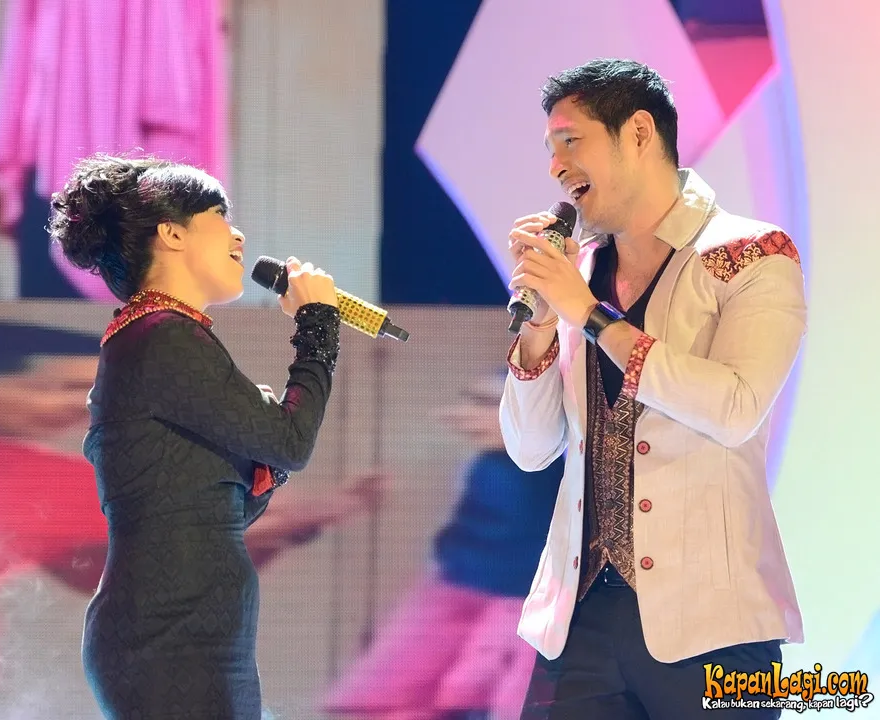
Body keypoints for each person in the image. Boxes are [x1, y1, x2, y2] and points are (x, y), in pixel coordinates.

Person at [499, 59, 806, 719]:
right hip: (579, 619)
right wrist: (542, 325)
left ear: (638, 132)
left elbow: (735, 407)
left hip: (719, 627)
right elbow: (530, 448)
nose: (555, 166)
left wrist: (590, 315)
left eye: (571, 141)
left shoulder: (752, 252)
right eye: (550, 148)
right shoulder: (576, 270)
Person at [48, 154, 341, 719]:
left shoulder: (158, 337)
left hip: (192, 633)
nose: (238, 234)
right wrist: (317, 326)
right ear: (173, 233)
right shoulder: (163, 336)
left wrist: (261, 456)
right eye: (219, 215)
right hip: (170, 636)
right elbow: (291, 442)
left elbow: (218, 506)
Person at [322, 371, 563, 720]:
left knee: (491, 697)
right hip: (457, 592)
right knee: (401, 696)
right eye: (471, 402)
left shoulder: (558, 468)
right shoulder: (487, 467)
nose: (464, 414)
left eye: (486, 403)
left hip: (521, 608)